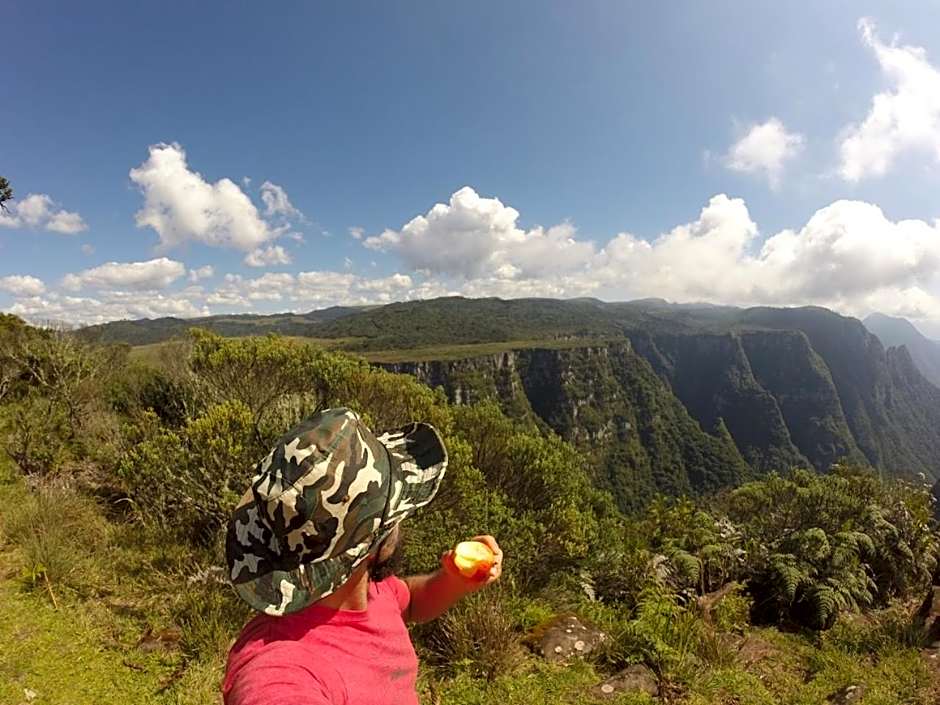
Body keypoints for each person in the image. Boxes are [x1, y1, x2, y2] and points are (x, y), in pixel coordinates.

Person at [222, 407, 503, 705]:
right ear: (372, 546)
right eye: (394, 514)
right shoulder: (280, 669)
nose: (401, 522)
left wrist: (453, 580)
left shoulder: (369, 589)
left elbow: (409, 602)